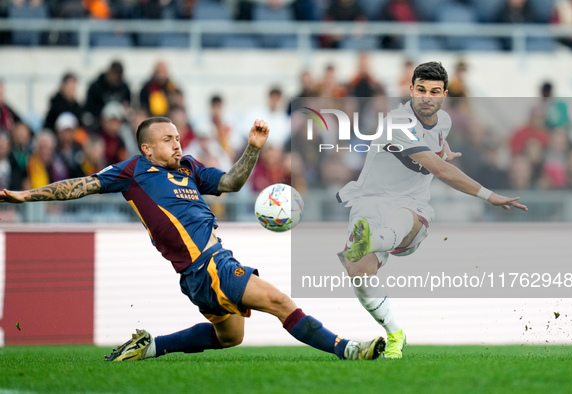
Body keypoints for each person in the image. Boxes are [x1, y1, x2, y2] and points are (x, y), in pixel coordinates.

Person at [0, 116, 385, 362]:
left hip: (202, 271)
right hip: (207, 265)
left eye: (178, 137)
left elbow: (232, 183)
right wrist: (25, 196)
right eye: (168, 140)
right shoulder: (132, 171)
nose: (177, 144)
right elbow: (80, 186)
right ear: (147, 148)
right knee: (279, 302)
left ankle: (151, 347)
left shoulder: (189, 168)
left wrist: (252, 148)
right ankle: (348, 349)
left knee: (230, 337)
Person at [336, 61, 528, 359]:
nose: (427, 97)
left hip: (410, 206)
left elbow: (436, 150)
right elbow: (441, 170)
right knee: (358, 273)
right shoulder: (396, 122)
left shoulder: (445, 122)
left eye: (435, 92)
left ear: (444, 95)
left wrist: (443, 150)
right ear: (411, 90)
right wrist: (489, 196)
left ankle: (371, 241)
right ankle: (395, 334)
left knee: (403, 215)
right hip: (369, 201)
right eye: (421, 90)